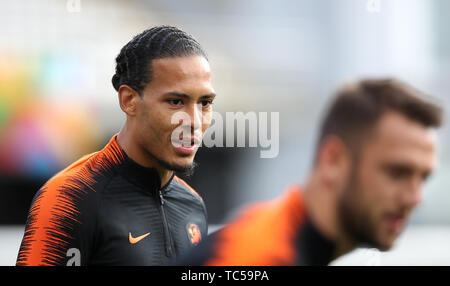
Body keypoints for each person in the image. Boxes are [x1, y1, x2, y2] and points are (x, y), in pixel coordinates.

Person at [176, 79, 443, 266]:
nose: (415, 198)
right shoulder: (262, 257)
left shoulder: (283, 233)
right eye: (397, 173)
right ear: (333, 160)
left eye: (423, 178)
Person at [16, 25, 216, 266]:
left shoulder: (193, 205)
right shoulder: (70, 198)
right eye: (175, 101)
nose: (193, 121)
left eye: (204, 103)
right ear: (129, 100)